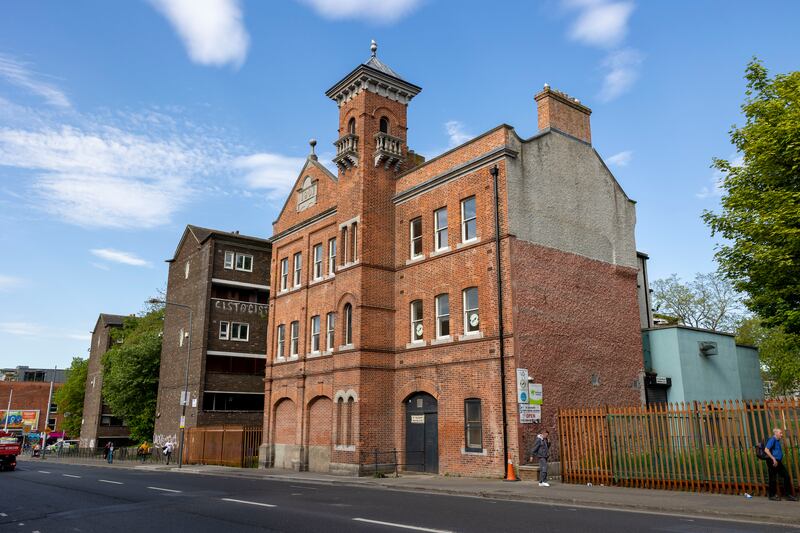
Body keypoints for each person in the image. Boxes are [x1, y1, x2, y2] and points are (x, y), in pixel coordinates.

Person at [764, 428, 797, 501]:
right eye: (780, 433)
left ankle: (787, 495)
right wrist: (773, 458)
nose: (782, 435)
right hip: (772, 461)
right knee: (773, 478)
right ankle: (772, 495)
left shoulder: (777, 441)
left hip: (777, 461)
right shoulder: (772, 440)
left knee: (786, 476)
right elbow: (766, 449)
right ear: (776, 433)